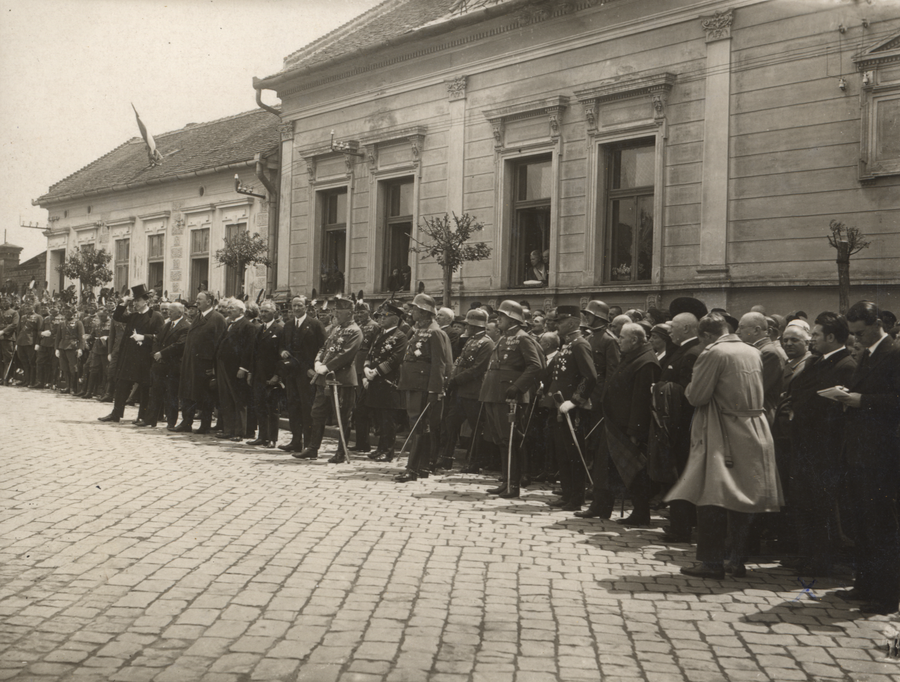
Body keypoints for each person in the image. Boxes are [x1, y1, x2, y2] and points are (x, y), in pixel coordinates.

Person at [667, 313, 783, 579]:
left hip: (722, 430)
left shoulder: (714, 353)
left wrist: (688, 388)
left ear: (707, 335)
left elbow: (697, 396)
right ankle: (737, 559)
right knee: (742, 498)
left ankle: (711, 562)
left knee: (711, 496)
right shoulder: (752, 351)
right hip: (754, 427)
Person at [832, 301, 900, 615]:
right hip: (859, 452)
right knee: (861, 522)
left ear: (877, 325)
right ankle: (865, 584)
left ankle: (886, 596)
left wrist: (862, 400)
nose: (855, 339)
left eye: (860, 333)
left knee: (880, 525)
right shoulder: (868, 353)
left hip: (881, 455)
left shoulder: (894, 353)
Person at [787, 311, 855, 576]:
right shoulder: (817, 362)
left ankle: (821, 559)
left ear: (831, 337)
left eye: (815, 334)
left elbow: (834, 410)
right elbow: (798, 391)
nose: (811, 338)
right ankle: (807, 554)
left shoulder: (845, 365)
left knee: (821, 505)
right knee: (804, 501)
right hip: (806, 443)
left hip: (824, 447)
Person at [479, 300, 544, 497]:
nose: (498, 319)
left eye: (502, 316)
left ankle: (513, 485)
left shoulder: (523, 338)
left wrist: (517, 387)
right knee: (501, 440)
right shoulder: (505, 337)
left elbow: (535, 366)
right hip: (494, 393)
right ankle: (506, 480)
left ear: (512, 319)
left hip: (509, 396)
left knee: (510, 440)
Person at [650, 310, 703, 543]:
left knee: (681, 473)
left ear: (686, 328)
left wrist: (660, 389)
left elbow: (686, 393)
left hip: (682, 426)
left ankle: (681, 528)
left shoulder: (691, 353)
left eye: (673, 328)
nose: (669, 331)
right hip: (677, 424)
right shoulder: (682, 350)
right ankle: (681, 522)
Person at [602, 323, 661, 526]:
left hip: (630, 427)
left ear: (634, 340)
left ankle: (641, 512)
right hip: (618, 424)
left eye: (621, 337)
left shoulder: (645, 362)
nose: (618, 341)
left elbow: (641, 400)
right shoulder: (633, 357)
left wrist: (635, 430)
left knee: (636, 471)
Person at [293, 298, 362, 463]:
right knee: (317, 413)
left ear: (350, 313)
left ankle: (341, 452)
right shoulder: (336, 329)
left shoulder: (355, 331)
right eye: (335, 311)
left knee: (342, 417)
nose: (335, 314)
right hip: (324, 380)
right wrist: (317, 361)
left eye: (339, 312)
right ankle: (312, 448)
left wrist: (327, 367)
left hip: (342, 380)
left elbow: (346, 354)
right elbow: (324, 347)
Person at [394, 294, 453, 482]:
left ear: (424, 312)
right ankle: (422, 467)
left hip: (423, 386)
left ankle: (413, 468)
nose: (411, 312)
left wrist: (435, 390)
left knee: (419, 426)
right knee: (419, 426)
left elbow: (440, 364)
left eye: (415, 309)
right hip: (414, 384)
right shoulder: (420, 330)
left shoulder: (435, 332)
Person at [544, 306, 597, 511]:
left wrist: (575, 400)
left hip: (571, 409)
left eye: (561, 321)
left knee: (574, 453)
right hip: (560, 406)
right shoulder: (568, 343)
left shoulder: (580, 344)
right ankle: (567, 494)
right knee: (563, 452)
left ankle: (576, 497)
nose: (556, 324)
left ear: (573, 322)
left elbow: (589, 376)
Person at [575, 300, 620, 520]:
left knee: (598, 449)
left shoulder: (609, 341)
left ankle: (598, 495)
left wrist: (604, 401)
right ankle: (591, 489)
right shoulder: (590, 337)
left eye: (589, 315)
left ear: (599, 317)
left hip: (599, 401)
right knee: (589, 446)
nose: (586, 317)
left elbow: (612, 373)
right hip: (586, 398)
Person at [99, 285, 166, 424]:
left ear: (146, 301)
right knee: (122, 384)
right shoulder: (133, 316)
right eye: (134, 301)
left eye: (138, 300)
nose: (135, 303)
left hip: (145, 357)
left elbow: (160, 337)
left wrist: (144, 337)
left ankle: (142, 416)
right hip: (129, 356)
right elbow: (117, 316)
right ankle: (116, 413)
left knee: (144, 387)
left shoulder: (155, 316)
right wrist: (124, 303)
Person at [438, 308, 494, 472]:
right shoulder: (470, 340)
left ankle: (474, 462)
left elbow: (478, 369)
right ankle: (446, 458)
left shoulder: (487, 343)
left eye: (468, 325)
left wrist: (456, 380)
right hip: (461, 391)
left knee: (476, 428)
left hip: (474, 392)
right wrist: (452, 378)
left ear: (475, 326)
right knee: (451, 423)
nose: (466, 327)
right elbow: (459, 363)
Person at [361, 301, 408, 462]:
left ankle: (387, 451)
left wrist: (376, 372)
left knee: (388, 420)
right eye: (380, 316)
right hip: (375, 382)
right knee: (379, 419)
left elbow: (395, 359)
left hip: (388, 382)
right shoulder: (379, 334)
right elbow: (370, 354)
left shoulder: (400, 336)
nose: (381, 319)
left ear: (395, 318)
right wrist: (366, 369)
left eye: (385, 316)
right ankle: (380, 448)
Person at [174, 291, 227, 434]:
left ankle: (205, 425)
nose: (196, 302)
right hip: (191, 363)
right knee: (188, 394)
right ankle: (186, 423)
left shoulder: (217, 318)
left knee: (205, 397)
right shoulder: (198, 317)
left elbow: (220, 345)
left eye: (199, 299)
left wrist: (214, 367)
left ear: (209, 301)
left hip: (205, 365)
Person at [278, 296, 326, 453]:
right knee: (293, 406)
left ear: (306, 307)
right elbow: (281, 345)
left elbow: (324, 348)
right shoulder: (288, 325)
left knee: (307, 407)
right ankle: (295, 440)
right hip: (292, 371)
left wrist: (315, 367)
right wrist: (282, 352)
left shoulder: (315, 324)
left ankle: (309, 443)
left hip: (308, 373)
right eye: (294, 306)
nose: (296, 308)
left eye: (299, 305)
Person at [214, 298, 256, 441]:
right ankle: (228, 429)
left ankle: (239, 431)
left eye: (232, 308)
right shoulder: (229, 324)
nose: (229, 310)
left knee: (238, 399)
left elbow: (248, 349)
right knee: (226, 399)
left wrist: (243, 368)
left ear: (241, 311)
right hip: (224, 367)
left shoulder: (247, 326)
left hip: (236, 368)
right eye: (229, 308)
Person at [247, 300, 284, 448]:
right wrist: (251, 372)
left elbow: (281, 356)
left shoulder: (279, 330)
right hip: (258, 374)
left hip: (271, 375)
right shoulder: (259, 329)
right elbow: (253, 353)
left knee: (272, 408)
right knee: (259, 406)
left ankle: (272, 438)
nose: (263, 314)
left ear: (274, 313)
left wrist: (277, 375)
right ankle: (262, 436)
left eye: (267, 311)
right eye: (261, 311)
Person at [737, 311, 785, 423]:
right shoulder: (761, 350)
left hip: (762, 415)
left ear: (756, 330)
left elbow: (755, 390)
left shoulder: (768, 353)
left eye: (741, 327)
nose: (737, 332)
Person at [351, 301, 380, 454]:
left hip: (365, 370)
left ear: (369, 312)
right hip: (355, 369)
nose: (359, 315)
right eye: (357, 312)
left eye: (362, 312)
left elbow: (374, 350)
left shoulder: (374, 327)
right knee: (357, 408)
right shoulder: (358, 327)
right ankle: (361, 442)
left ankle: (365, 442)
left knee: (364, 408)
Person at [55, 307, 84, 394]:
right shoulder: (62, 323)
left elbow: (81, 337)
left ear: (73, 313)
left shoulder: (78, 323)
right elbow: (58, 337)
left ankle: (73, 388)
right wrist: (56, 349)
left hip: (72, 347)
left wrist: (80, 348)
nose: (67, 314)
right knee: (64, 367)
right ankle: (67, 386)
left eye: (69, 312)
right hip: (62, 347)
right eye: (66, 312)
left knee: (73, 368)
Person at [15, 302, 41, 387]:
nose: (27, 308)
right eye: (26, 306)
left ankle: (31, 381)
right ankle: (25, 380)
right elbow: (19, 330)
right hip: (21, 342)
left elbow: (39, 331)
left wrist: (37, 343)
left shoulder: (38, 317)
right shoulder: (23, 317)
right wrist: (17, 343)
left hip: (31, 342)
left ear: (33, 307)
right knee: (24, 362)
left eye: (29, 306)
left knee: (32, 362)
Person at [0, 298, 19, 384]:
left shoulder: (14, 312)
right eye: (3, 302)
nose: (4, 303)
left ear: (10, 302)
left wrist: (3, 331)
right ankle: (1, 378)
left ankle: (7, 378)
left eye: (6, 301)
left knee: (7, 359)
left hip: (8, 338)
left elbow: (14, 324)